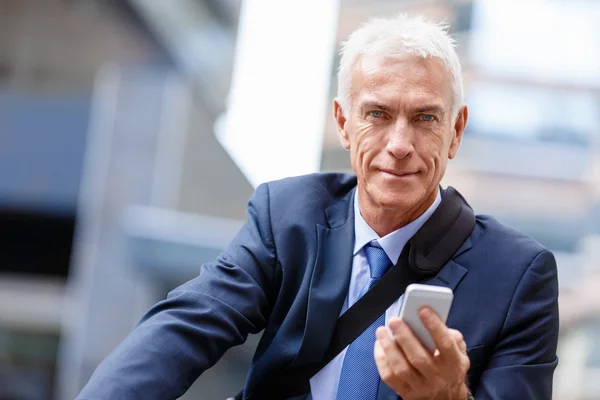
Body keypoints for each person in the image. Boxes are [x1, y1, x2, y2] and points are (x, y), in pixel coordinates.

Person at [76, 13, 559, 400]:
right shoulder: (287, 215)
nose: (398, 144)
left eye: (425, 118)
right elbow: (181, 330)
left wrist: (448, 398)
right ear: (343, 122)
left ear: (455, 132)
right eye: (377, 114)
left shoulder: (519, 275)